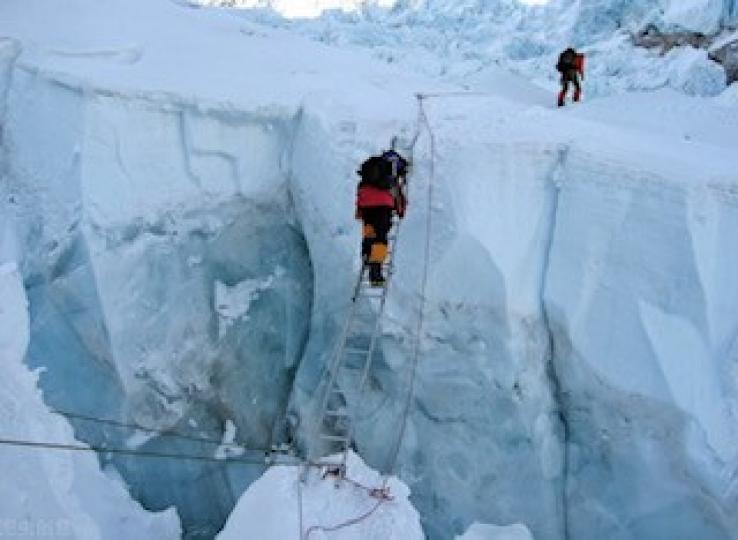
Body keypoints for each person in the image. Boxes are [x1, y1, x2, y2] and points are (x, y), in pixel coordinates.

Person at [355, 151, 408, 286]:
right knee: (381, 238)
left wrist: (359, 211)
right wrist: (400, 212)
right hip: (382, 206)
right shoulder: (391, 177)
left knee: (370, 232)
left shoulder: (370, 171)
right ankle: (375, 271)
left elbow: (361, 190)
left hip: (366, 204)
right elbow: (398, 196)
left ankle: (367, 254)